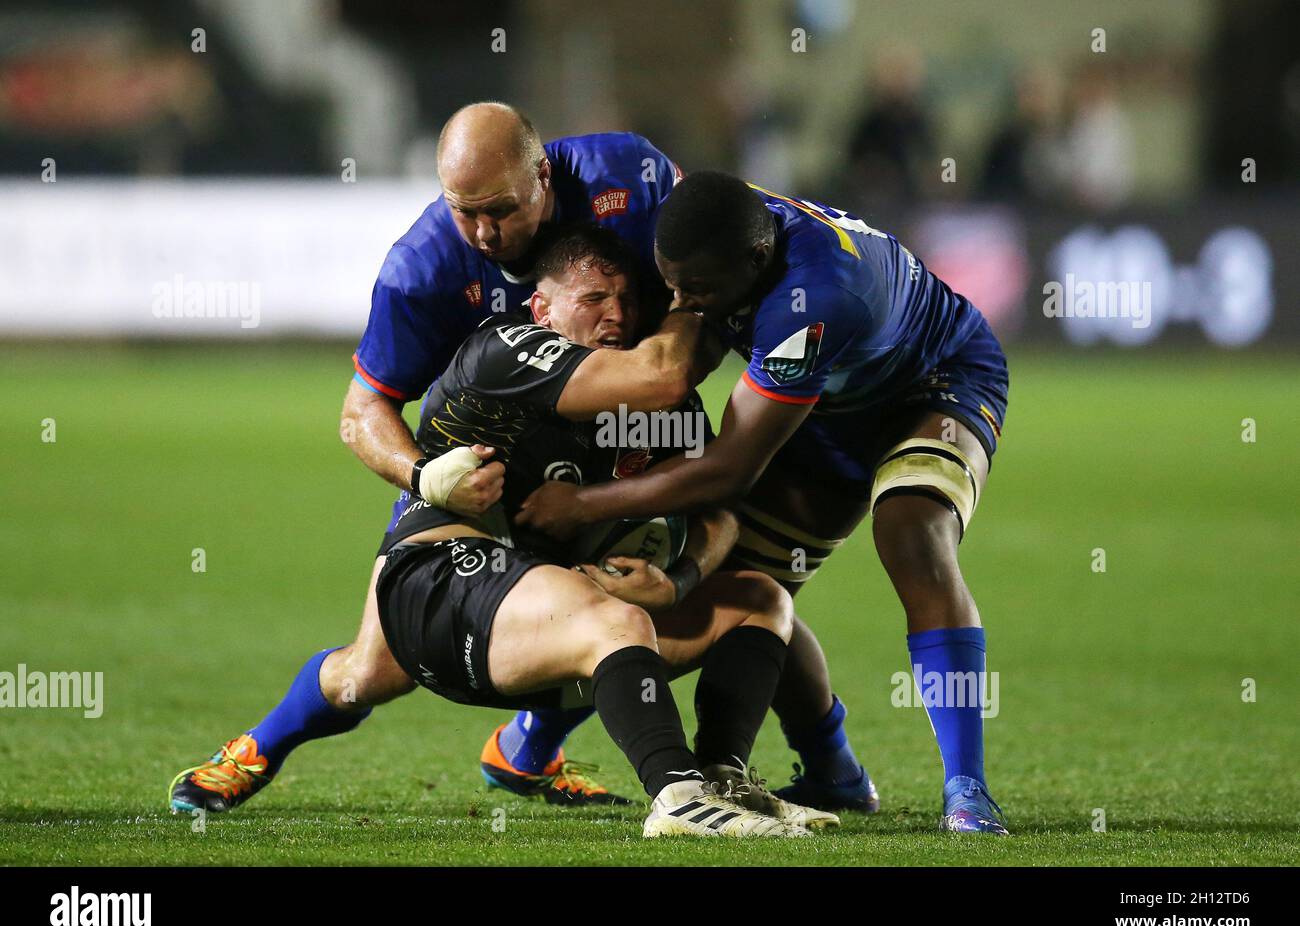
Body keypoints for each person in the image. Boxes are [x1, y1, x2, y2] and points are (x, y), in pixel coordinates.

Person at [169, 103, 874, 814]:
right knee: (370, 671)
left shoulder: (630, 179)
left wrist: (680, 573)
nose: (480, 233)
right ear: (538, 308)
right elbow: (361, 413)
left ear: (543, 176)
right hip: (476, 493)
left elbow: (694, 323)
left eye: (498, 210)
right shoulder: (431, 277)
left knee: (693, 594)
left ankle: (563, 754)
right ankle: (260, 745)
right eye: (462, 213)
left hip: (588, 470)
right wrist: (423, 474)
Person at [518, 171, 1011, 834]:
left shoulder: (817, 299)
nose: (682, 301)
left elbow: (729, 468)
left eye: (699, 291)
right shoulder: (716, 227)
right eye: (671, 283)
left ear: (755, 261)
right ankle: (833, 772)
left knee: (911, 533)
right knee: (744, 590)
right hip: (830, 400)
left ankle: (968, 791)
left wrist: (586, 504)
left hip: (935, 386)